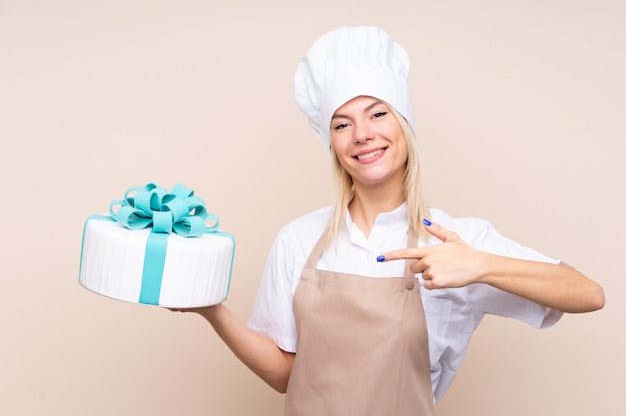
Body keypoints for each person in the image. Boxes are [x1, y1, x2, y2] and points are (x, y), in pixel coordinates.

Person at [174, 26, 605, 415]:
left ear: (404, 124)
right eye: (342, 124)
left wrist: (481, 264)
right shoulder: (299, 238)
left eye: (378, 114)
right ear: (333, 144)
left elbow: (587, 293)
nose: (362, 134)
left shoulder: (458, 242)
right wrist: (212, 311)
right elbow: (285, 375)